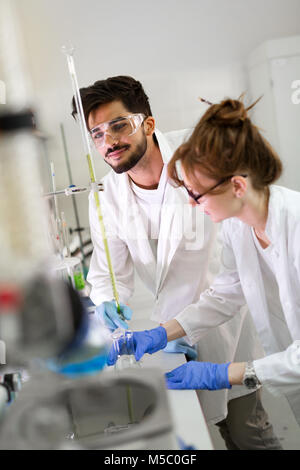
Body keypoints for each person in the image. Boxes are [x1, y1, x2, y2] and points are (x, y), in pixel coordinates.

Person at [72, 78, 280, 449]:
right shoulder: (106, 195)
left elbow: (237, 266)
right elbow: (108, 274)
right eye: (97, 134)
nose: (110, 142)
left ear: (148, 124)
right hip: (171, 337)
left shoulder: (197, 160)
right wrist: (106, 301)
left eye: (119, 125)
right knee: (197, 431)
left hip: (229, 328)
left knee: (249, 434)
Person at [112, 96, 300, 430]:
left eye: (197, 195)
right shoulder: (239, 226)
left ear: (238, 186)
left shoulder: (295, 225)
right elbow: (225, 293)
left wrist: (226, 374)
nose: (191, 203)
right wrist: (160, 333)